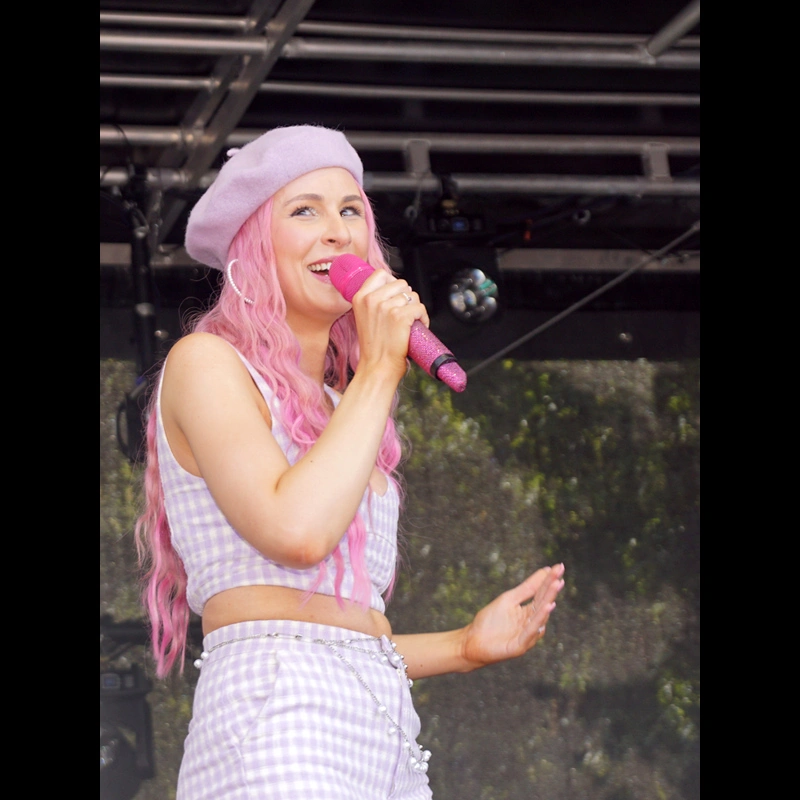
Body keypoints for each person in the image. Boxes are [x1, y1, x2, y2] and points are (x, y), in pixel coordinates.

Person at [135, 124, 565, 800]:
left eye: (350, 211)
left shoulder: (345, 405)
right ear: (252, 246)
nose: (337, 233)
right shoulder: (208, 364)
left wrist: (464, 646)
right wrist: (382, 370)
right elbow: (296, 533)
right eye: (304, 211)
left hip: (382, 733)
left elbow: (342, 638)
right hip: (276, 719)